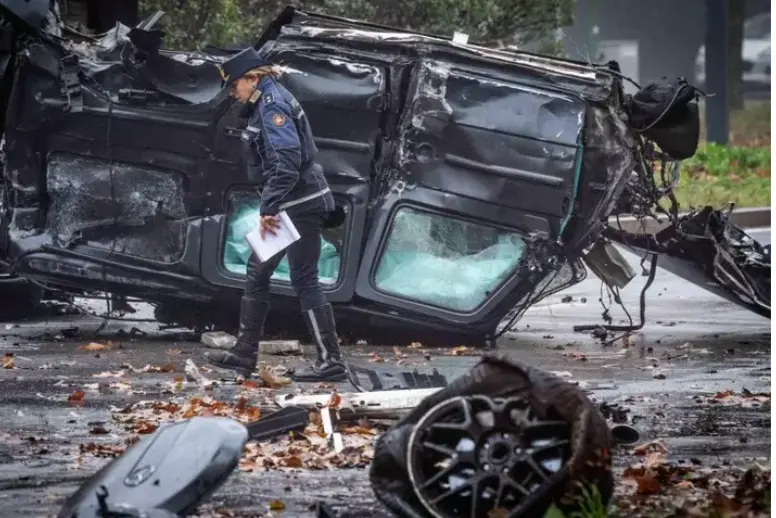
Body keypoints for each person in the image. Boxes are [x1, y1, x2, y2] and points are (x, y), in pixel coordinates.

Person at [205, 47, 347, 383]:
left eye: (234, 85)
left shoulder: (272, 106)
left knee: (299, 277)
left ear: (253, 78)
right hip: (294, 204)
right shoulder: (266, 101)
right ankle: (245, 354)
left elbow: (286, 163)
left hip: (298, 205)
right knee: (263, 271)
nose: (232, 93)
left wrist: (268, 208)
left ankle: (329, 361)